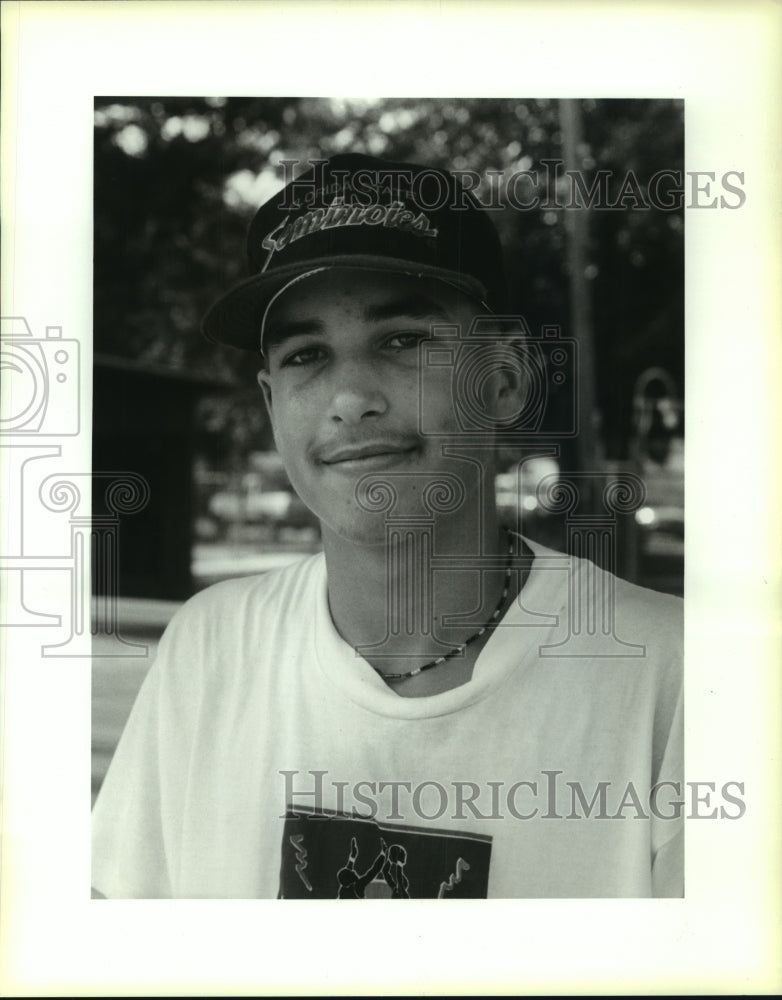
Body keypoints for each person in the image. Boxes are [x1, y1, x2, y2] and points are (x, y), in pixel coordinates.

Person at [91, 153, 683, 899]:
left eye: (402, 339)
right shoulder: (211, 648)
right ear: (272, 404)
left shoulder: (672, 673)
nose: (350, 397)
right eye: (307, 355)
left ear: (503, 379)